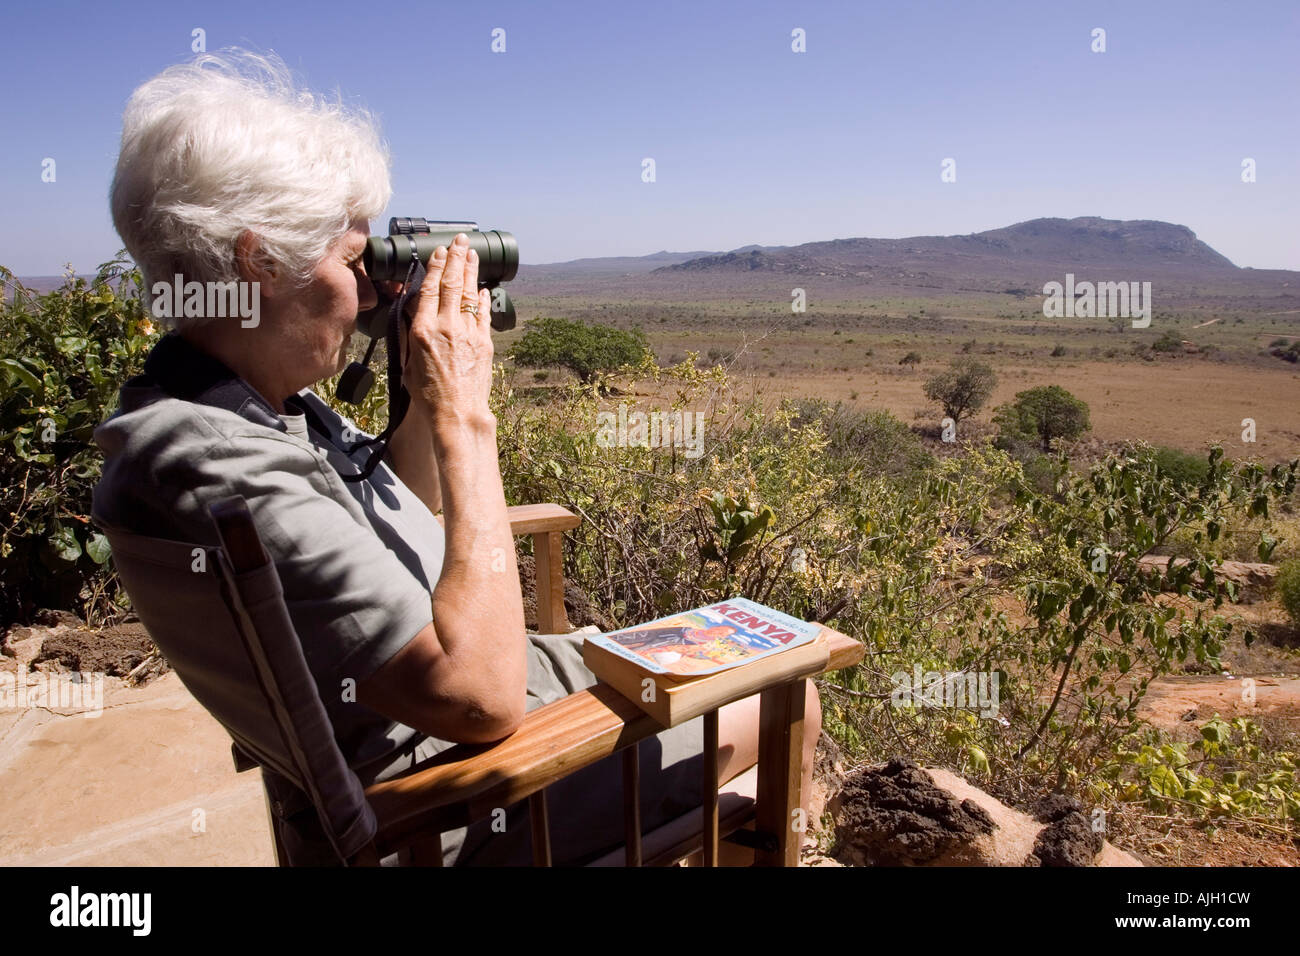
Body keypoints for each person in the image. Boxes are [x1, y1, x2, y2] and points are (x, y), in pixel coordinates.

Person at [94, 50, 820, 865]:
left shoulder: (219, 408)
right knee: (790, 694)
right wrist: (469, 417)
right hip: (467, 795)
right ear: (260, 260)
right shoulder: (223, 463)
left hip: (450, 723)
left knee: (694, 661)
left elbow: (399, 510)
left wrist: (426, 394)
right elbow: (478, 700)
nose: (369, 292)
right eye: (348, 260)